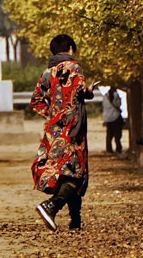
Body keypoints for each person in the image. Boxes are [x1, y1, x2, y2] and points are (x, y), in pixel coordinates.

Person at [30, 34, 97, 231]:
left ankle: (76, 222)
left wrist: (53, 116)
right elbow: (79, 91)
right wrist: (90, 92)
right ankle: (52, 206)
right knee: (76, 174)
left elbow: (35, 100)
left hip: (54, 132)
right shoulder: (74, 67)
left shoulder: (46, 73)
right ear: (70, 48)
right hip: (73, 130)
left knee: (65, 173)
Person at [101, 86, 124, 153]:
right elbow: (118, 104)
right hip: (116, 116)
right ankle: (118, 148)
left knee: (109, 135)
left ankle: (109, 149)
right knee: (117, 134)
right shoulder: (116, 95)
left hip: (108, 117)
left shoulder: (105, 96)